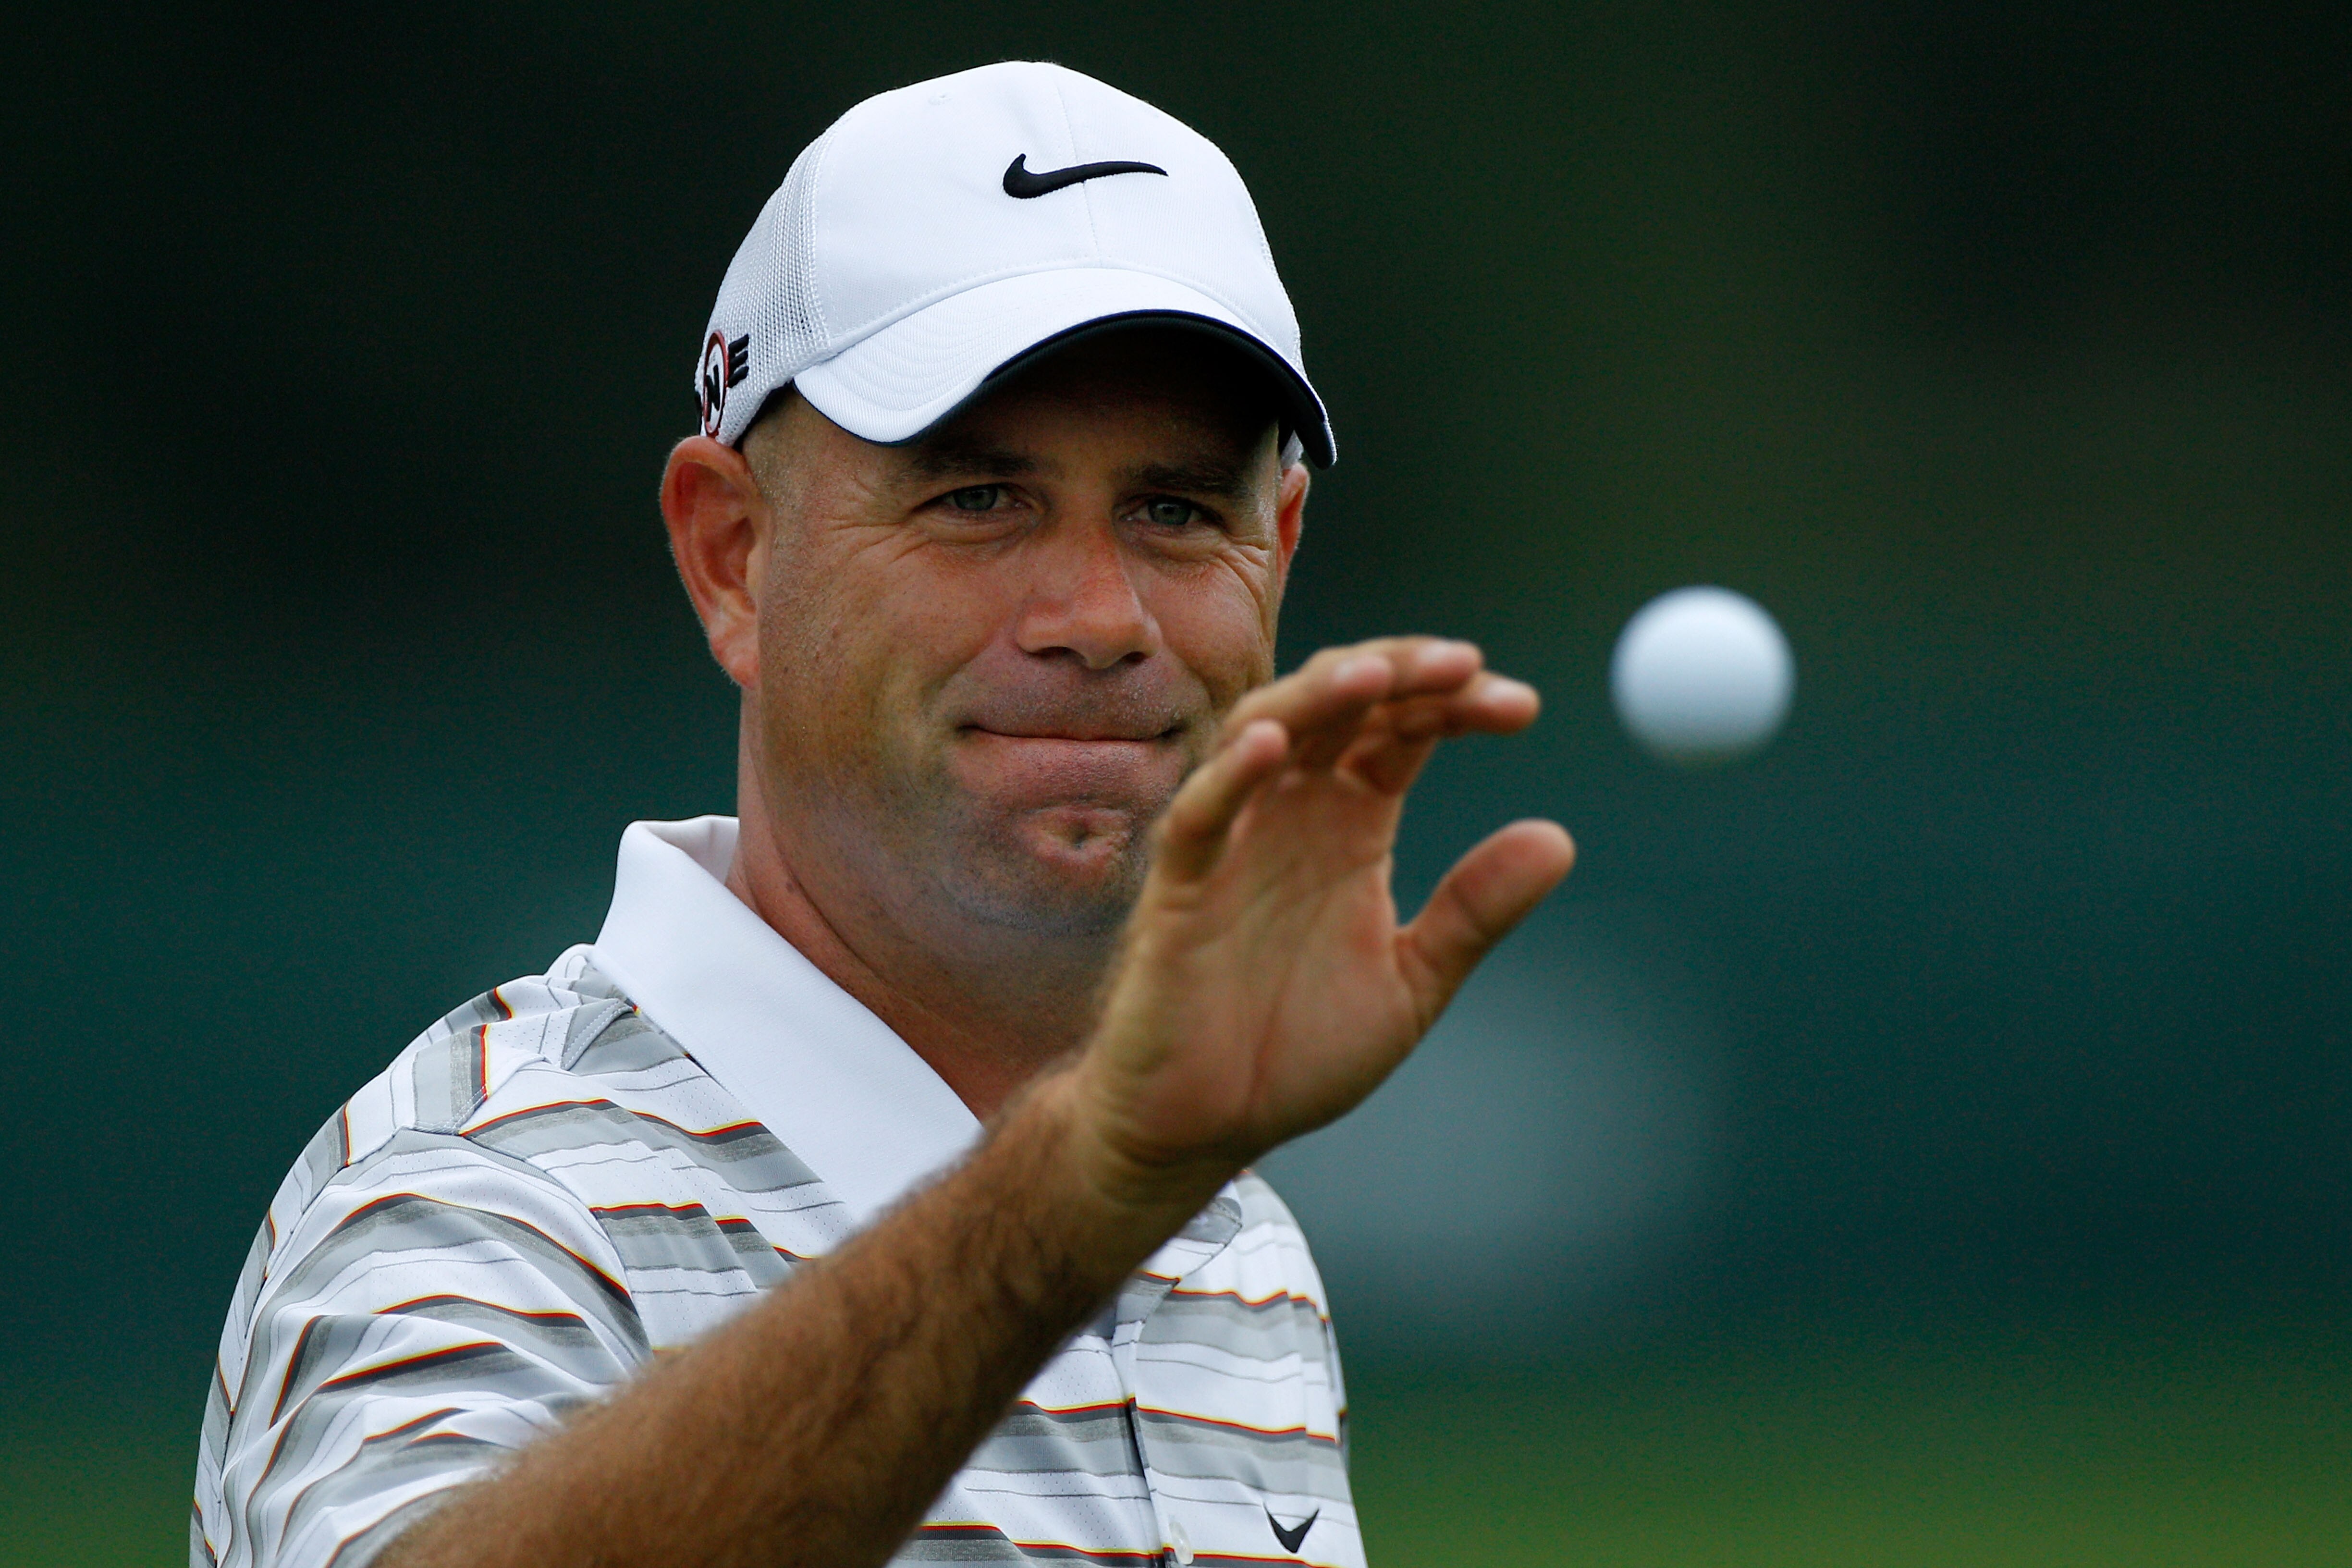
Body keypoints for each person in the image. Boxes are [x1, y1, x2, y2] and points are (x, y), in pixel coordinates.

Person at [193, 61, 1574, 1568]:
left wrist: (1108, 1185)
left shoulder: (1230, 1244)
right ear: (732, 556)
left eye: (1177, 509)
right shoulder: (483, 1195)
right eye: (978, 498)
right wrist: (1076, 1195)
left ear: (1282, 546)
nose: (1102, 615)